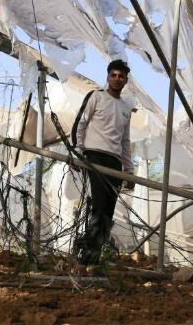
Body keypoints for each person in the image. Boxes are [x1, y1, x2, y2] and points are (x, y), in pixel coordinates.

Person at [73, 59, 135, 264]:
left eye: (121, 76)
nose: (117, 79)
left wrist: (129, 171)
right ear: (108, 77)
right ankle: (87, 255)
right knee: (99, 206)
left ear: (126, 81)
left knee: (108, 210)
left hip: (115, 162)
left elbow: (125, 141)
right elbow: (80, 124)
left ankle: (94, 256)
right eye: (113, 75)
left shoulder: (126, 108)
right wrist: (77, 153)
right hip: (95, 156)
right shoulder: (96, 97)